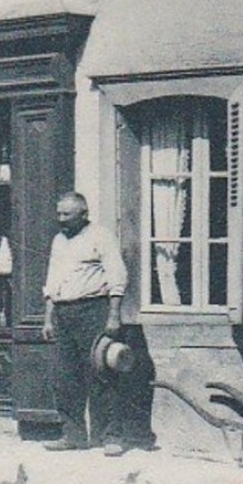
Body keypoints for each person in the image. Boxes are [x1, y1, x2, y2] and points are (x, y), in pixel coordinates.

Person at [41, 191, 156, 454]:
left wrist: (114, 315)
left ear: (84, 214)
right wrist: (49, 318)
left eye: (66, 215)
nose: (61, 219)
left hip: (94, 310)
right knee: (64, 376)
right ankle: (73, 434)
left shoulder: (100, 236)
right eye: (58, 214)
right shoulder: (59, 240)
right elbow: (53, 281)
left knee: (102, 374)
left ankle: (111, 436)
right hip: (63, 313)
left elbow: (117, 275)